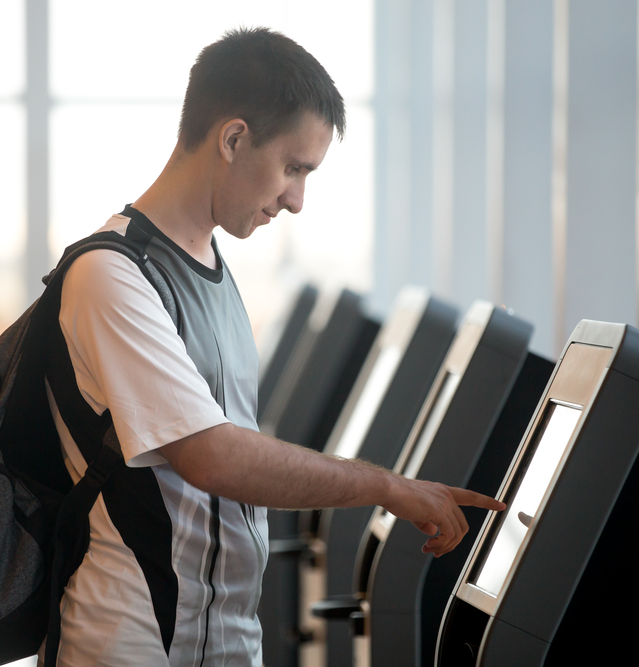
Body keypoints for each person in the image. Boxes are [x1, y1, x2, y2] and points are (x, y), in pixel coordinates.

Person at [39, 27, 504, 667]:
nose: (296, 200)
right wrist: (384, 486)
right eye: (293, 168)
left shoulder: (213, 269)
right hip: (131, 643)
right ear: (233, 138)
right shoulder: (112, 274)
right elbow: (214, 458)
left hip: (226, 638)